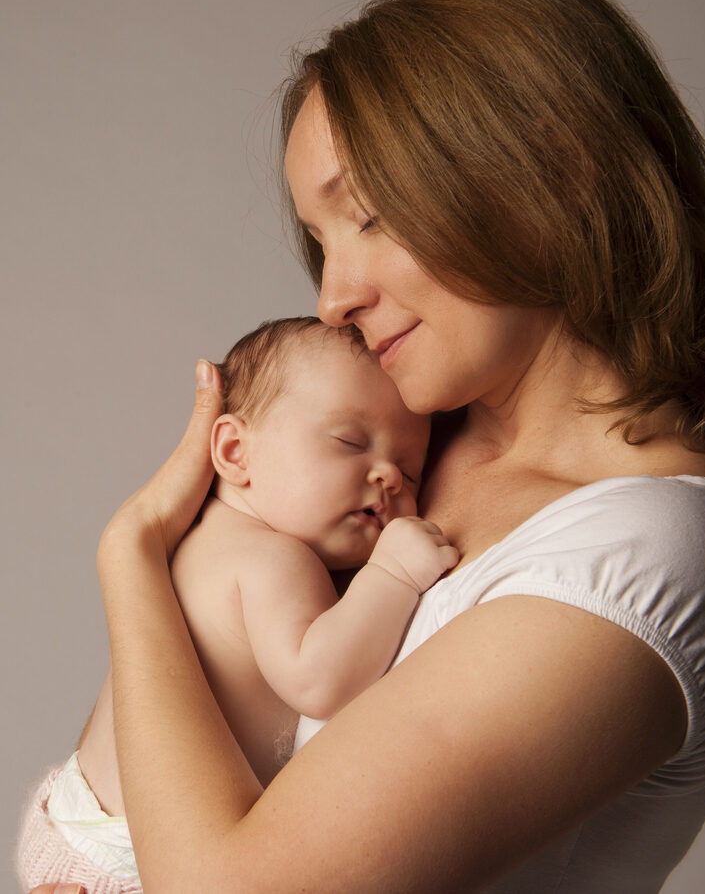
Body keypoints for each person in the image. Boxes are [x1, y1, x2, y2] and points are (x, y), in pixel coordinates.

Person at [29, 0, 705, 891]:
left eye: (372, 214)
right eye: (322, 238)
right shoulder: (406, 440)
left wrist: (128, 559)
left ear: (555, 166)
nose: (331, 297)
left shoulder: (652, 552)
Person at [18, 316, 456, 893]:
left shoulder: (199, 542)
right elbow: (318, 678)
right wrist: (393, 572)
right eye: (350, 442)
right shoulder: (273, 559)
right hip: (134, 861)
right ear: (233, 450)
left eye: (410, 470)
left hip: (83, 820)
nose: (387, 477)